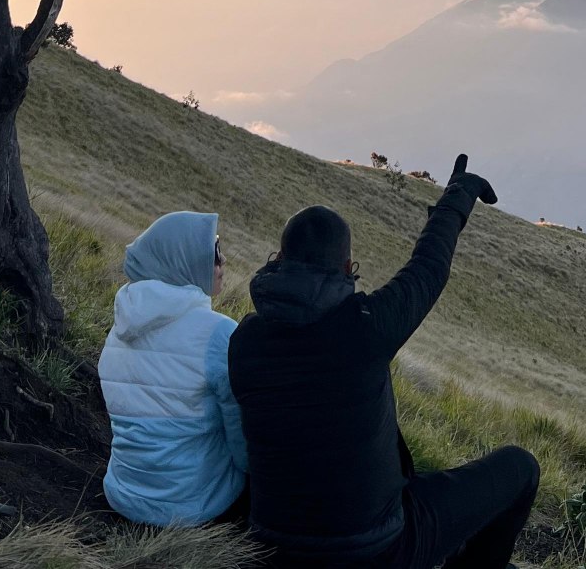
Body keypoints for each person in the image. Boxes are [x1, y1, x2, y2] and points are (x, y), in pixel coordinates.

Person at [229, 155, 539, 569]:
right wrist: (457, 196)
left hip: (273, 549)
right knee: (520, 468)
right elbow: (429, 268)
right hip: (379, 551)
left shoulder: (244, 342)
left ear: (279, 258)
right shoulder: (366, 328)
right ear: (345, 268)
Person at [97, 211, 248, 526]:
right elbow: (240, 440)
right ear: (184, 260)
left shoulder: (119, 329)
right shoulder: (220, 333)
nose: (223, 262)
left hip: (123, 493)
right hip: (192, 504)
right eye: (215, 251)